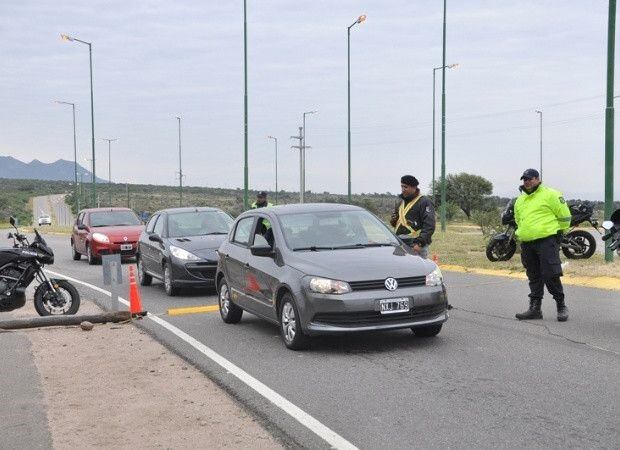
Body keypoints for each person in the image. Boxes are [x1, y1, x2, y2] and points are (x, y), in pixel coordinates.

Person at [514, 168, 571, 322]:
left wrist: (560, 233)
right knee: (533, 275)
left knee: (550, 274)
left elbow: (564, 215)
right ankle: (535, 309)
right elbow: (518, 219)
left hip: (547, 240)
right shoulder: (520, 199)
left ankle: (561, 305)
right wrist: (523, 232)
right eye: (524, 179)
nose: (527, 182)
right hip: (527, 243)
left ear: (538, 179)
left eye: (530, 178)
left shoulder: (551, 194)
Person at [390, 175, 435, 258]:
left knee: (417, 269)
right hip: (399, 243)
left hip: (415, 244)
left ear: (414, 187)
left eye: (405, 187)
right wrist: (393, 220)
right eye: (402, 186)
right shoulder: (400, 202)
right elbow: (395, 223)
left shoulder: (425, 202)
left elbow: (429, 226)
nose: (403, 189)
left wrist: (419, 244)